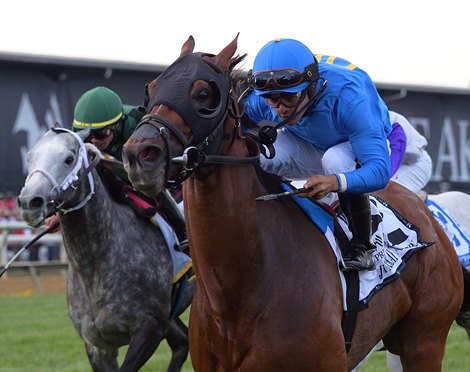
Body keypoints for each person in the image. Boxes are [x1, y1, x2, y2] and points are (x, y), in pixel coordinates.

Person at [243, 38, 432, 271]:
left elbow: (380, 172)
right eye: (272, 99)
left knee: (336, 160)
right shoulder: (259, 100)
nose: (280, 108)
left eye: (289, 97)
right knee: (260, 154)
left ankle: (363, 246)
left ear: (312, 85)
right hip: (316, 144)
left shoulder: (351, 98)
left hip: (381, 154)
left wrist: (336, 182)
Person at [45, 86, 189, 255]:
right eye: (86, 134)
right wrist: (60, 213)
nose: (93, 141)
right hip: (118, 175)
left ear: (116, 125)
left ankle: (183, 232)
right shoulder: (86, 137)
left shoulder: (139, 123)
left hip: (158, 179)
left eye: (99, 134)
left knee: (149, 184)